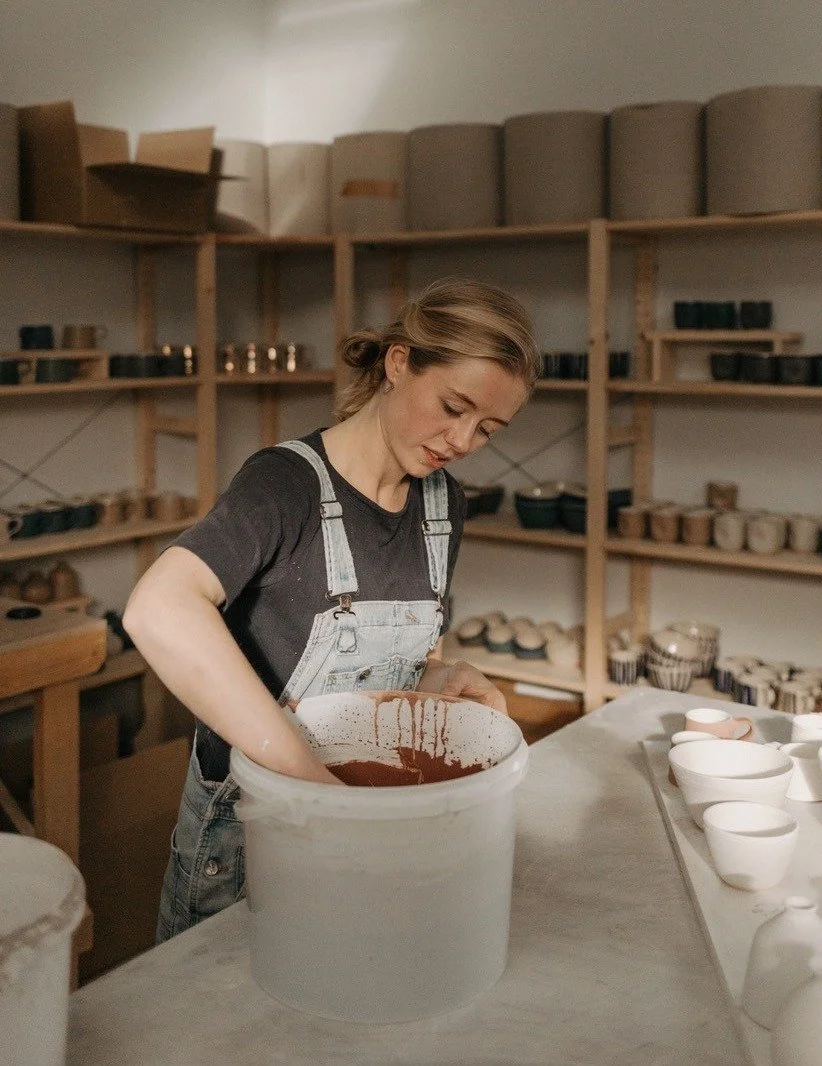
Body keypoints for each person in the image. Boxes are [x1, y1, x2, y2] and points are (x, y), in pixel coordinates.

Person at [122, 277, 541, 942]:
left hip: (363, 829)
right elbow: (159, 608)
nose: (461, 440)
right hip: (254, 827)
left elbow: (406, 659)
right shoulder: (283, 484)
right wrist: (310, 783)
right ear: (399, 364)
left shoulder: (441, 506)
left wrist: (439, 678)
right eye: (452, 407)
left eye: (486, 428)